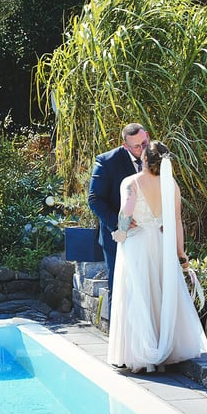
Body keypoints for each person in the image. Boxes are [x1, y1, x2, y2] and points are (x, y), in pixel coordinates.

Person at [107, 141, 207, 373]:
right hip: (162, 244)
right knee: (162, 292)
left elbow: (126, 211)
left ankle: (140, 352)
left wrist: (120, 233)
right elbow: (176, 220)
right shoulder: (171, 184)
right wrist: (180, 253)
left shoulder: (131, 182)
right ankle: (169, 347)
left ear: (144, 159)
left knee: (139, 294)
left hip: (137, 243)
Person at [88, 123, 149, 307]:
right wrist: (119, 223)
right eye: (137, 146)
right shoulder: (107, 162)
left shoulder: (157, 156)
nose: (142, 149)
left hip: (149, 236)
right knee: (121, 289)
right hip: (118, 238)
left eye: (144, 143)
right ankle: (119, 334)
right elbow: (95, 199)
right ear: (125, 146)